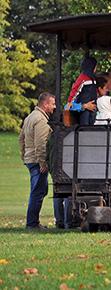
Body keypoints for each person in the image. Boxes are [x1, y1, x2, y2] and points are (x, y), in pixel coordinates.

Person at [20, 93, 57, 229]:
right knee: (38, 192)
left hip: (30, 159)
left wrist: (24, 155)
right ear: (45, 104)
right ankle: (32, 223)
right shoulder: (41, 120)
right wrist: (43, 162)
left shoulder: (30, 117)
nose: (55, 107)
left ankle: (33, 222)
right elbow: (41, 143)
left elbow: (21, 138)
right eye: (53, 104)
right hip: (37, 161)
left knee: (38, 190)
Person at [66, 56, 98, 125]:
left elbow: (95, 91)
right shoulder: (83, 77)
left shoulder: (93, 79)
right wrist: (70, 100)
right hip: (84, 107)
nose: (96, 68)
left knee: (92, 123)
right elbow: (76, 88)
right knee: (85, 124)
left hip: (93, 107)